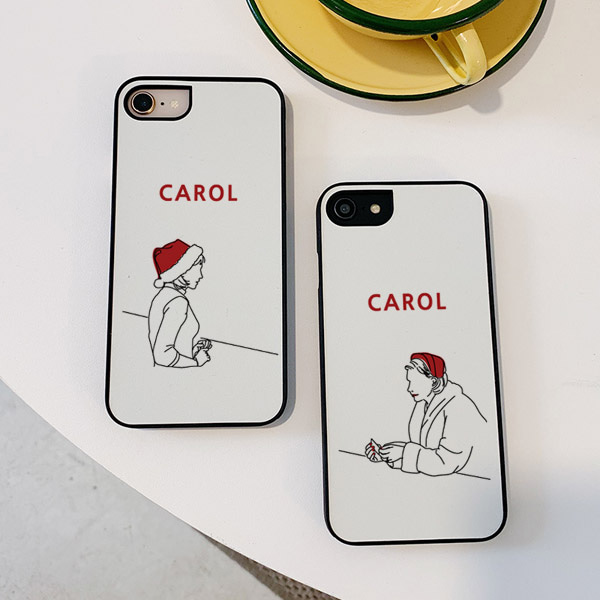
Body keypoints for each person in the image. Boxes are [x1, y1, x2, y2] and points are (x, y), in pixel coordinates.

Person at [365, 352, 487, 477]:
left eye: (415, 382)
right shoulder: (423, 403)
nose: (409, 388)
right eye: (409, 381)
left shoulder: (458, 407)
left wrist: (402, 452)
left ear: (433, 382)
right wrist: (387, 456)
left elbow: (447, 461)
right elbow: (423, 451)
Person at [148, 239, 212, 368]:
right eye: (197, 269)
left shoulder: (163, 296)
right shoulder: (178, 302)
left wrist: (194, 349)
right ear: (182, 271)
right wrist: (197, 362)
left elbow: (165, 343)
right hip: (173, 375)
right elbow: (162, 355)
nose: (200, 275)